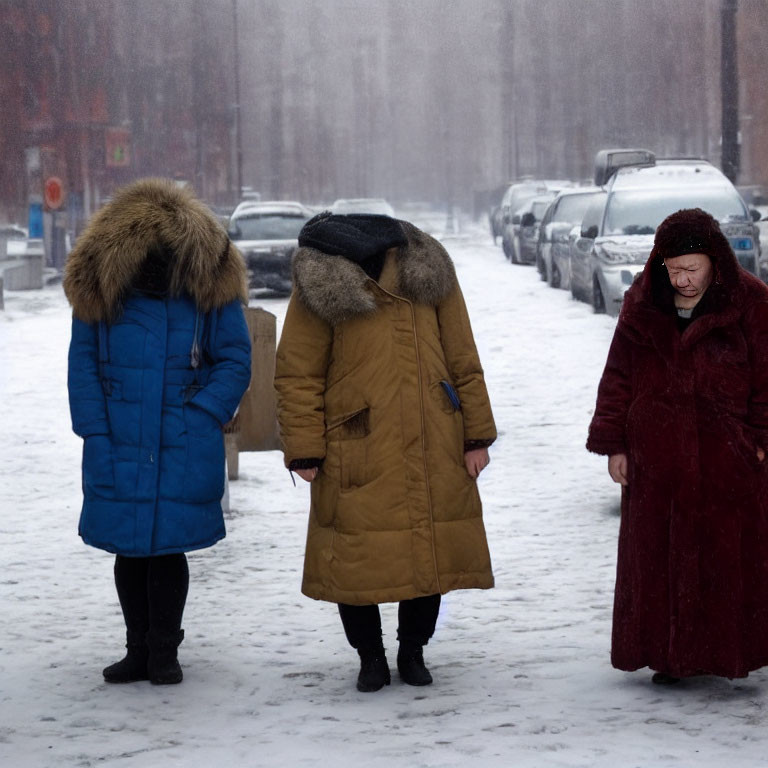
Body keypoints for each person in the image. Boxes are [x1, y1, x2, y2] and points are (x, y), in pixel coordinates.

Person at [274, 212, 496, 692]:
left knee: (430, 547)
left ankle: (412, 650)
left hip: (434, 433)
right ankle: (369, 656)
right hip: (354, 443)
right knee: (355, 559)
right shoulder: (321, 281)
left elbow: (463, 356)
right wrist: (304, 449)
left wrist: (476, 435)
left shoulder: (428, 270)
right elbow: (297, 372)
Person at [64, 178, 251, 684]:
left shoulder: (206, 282)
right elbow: (82, 365)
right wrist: (94, 430)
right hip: (117, 436)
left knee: (168, 546)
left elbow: (234, 357)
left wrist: (205, 412)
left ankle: (164, 651)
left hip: (183, 436)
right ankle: (138, 650)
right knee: (130, 546)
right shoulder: (103, 287)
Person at [587, 207, 768, 684]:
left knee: (724, 561)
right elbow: (618, 376)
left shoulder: (751, 302)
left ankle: (724, 654)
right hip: (657, 458)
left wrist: (757, 441)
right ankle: (668, 657)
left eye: (692, 269)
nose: (683, 280)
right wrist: (614, 444)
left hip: (727, 459)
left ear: (714, 261)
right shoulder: (642, 303)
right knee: (658, 563)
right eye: (673, 269)